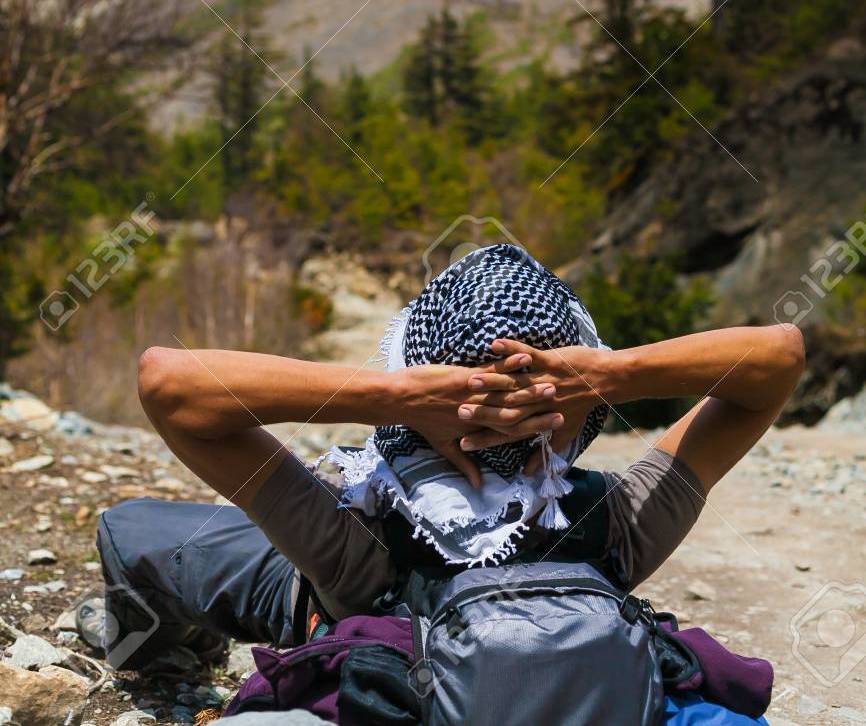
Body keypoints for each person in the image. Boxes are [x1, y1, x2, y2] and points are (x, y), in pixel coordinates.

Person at [92, 244, 804, 669]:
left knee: (135, 530)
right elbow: (777, 357)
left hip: (322, 587)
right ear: (574, 414)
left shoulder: (353, 542)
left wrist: (391, 397)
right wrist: (614, 376)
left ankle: (152, 644)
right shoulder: (617, 524)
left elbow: (168, 382)